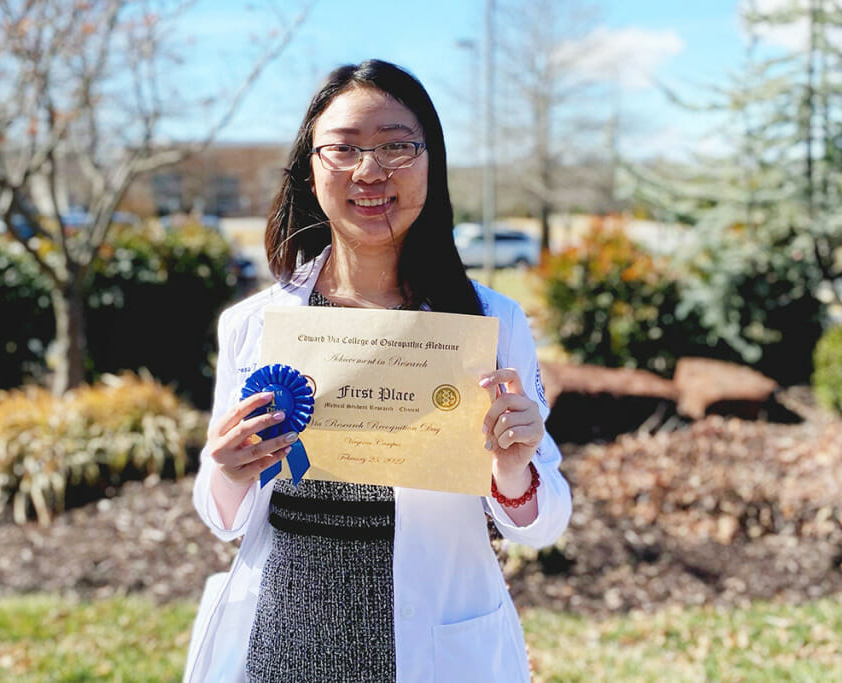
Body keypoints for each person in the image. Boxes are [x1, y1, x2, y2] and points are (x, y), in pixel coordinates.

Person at [182, 59, 571, 683]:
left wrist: (512, 467)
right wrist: (228, 471)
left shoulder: (491, 324)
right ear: (311, 169)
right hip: (286, 645)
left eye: (396, 146)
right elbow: (221, 516)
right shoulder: (257, 325)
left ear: (430, 163)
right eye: (344, 149)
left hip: (435, 651)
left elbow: (543, 524)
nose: (370, 171)